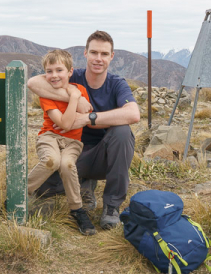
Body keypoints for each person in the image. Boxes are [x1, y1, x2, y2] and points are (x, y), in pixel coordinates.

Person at [28, 31, 140, 229]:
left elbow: (133, 114)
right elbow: (33, 83)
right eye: (94, 52)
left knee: (122, 132)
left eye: (104, 54)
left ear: (111, 56)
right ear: (85, 53)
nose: (98, 58)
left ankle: (111, 207)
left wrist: (87, 118)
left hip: (102, 156)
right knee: (43, 190)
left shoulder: (116, 84)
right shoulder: (71, 75)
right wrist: (74, 98)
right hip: (69, 153)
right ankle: (85, 184)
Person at [28, 49, 96, 236]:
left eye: (59, 70)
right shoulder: (47, 94)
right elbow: (66, 123)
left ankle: (77, 209)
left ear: (70, 71)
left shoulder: (81, 90)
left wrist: (77, 97)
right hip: (49, 136)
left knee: (66, 164)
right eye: (49, 71)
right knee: (52, 160)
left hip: (73, 141)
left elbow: (85, 115)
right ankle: (21, 192)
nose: (54, 75)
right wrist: (73, 98)